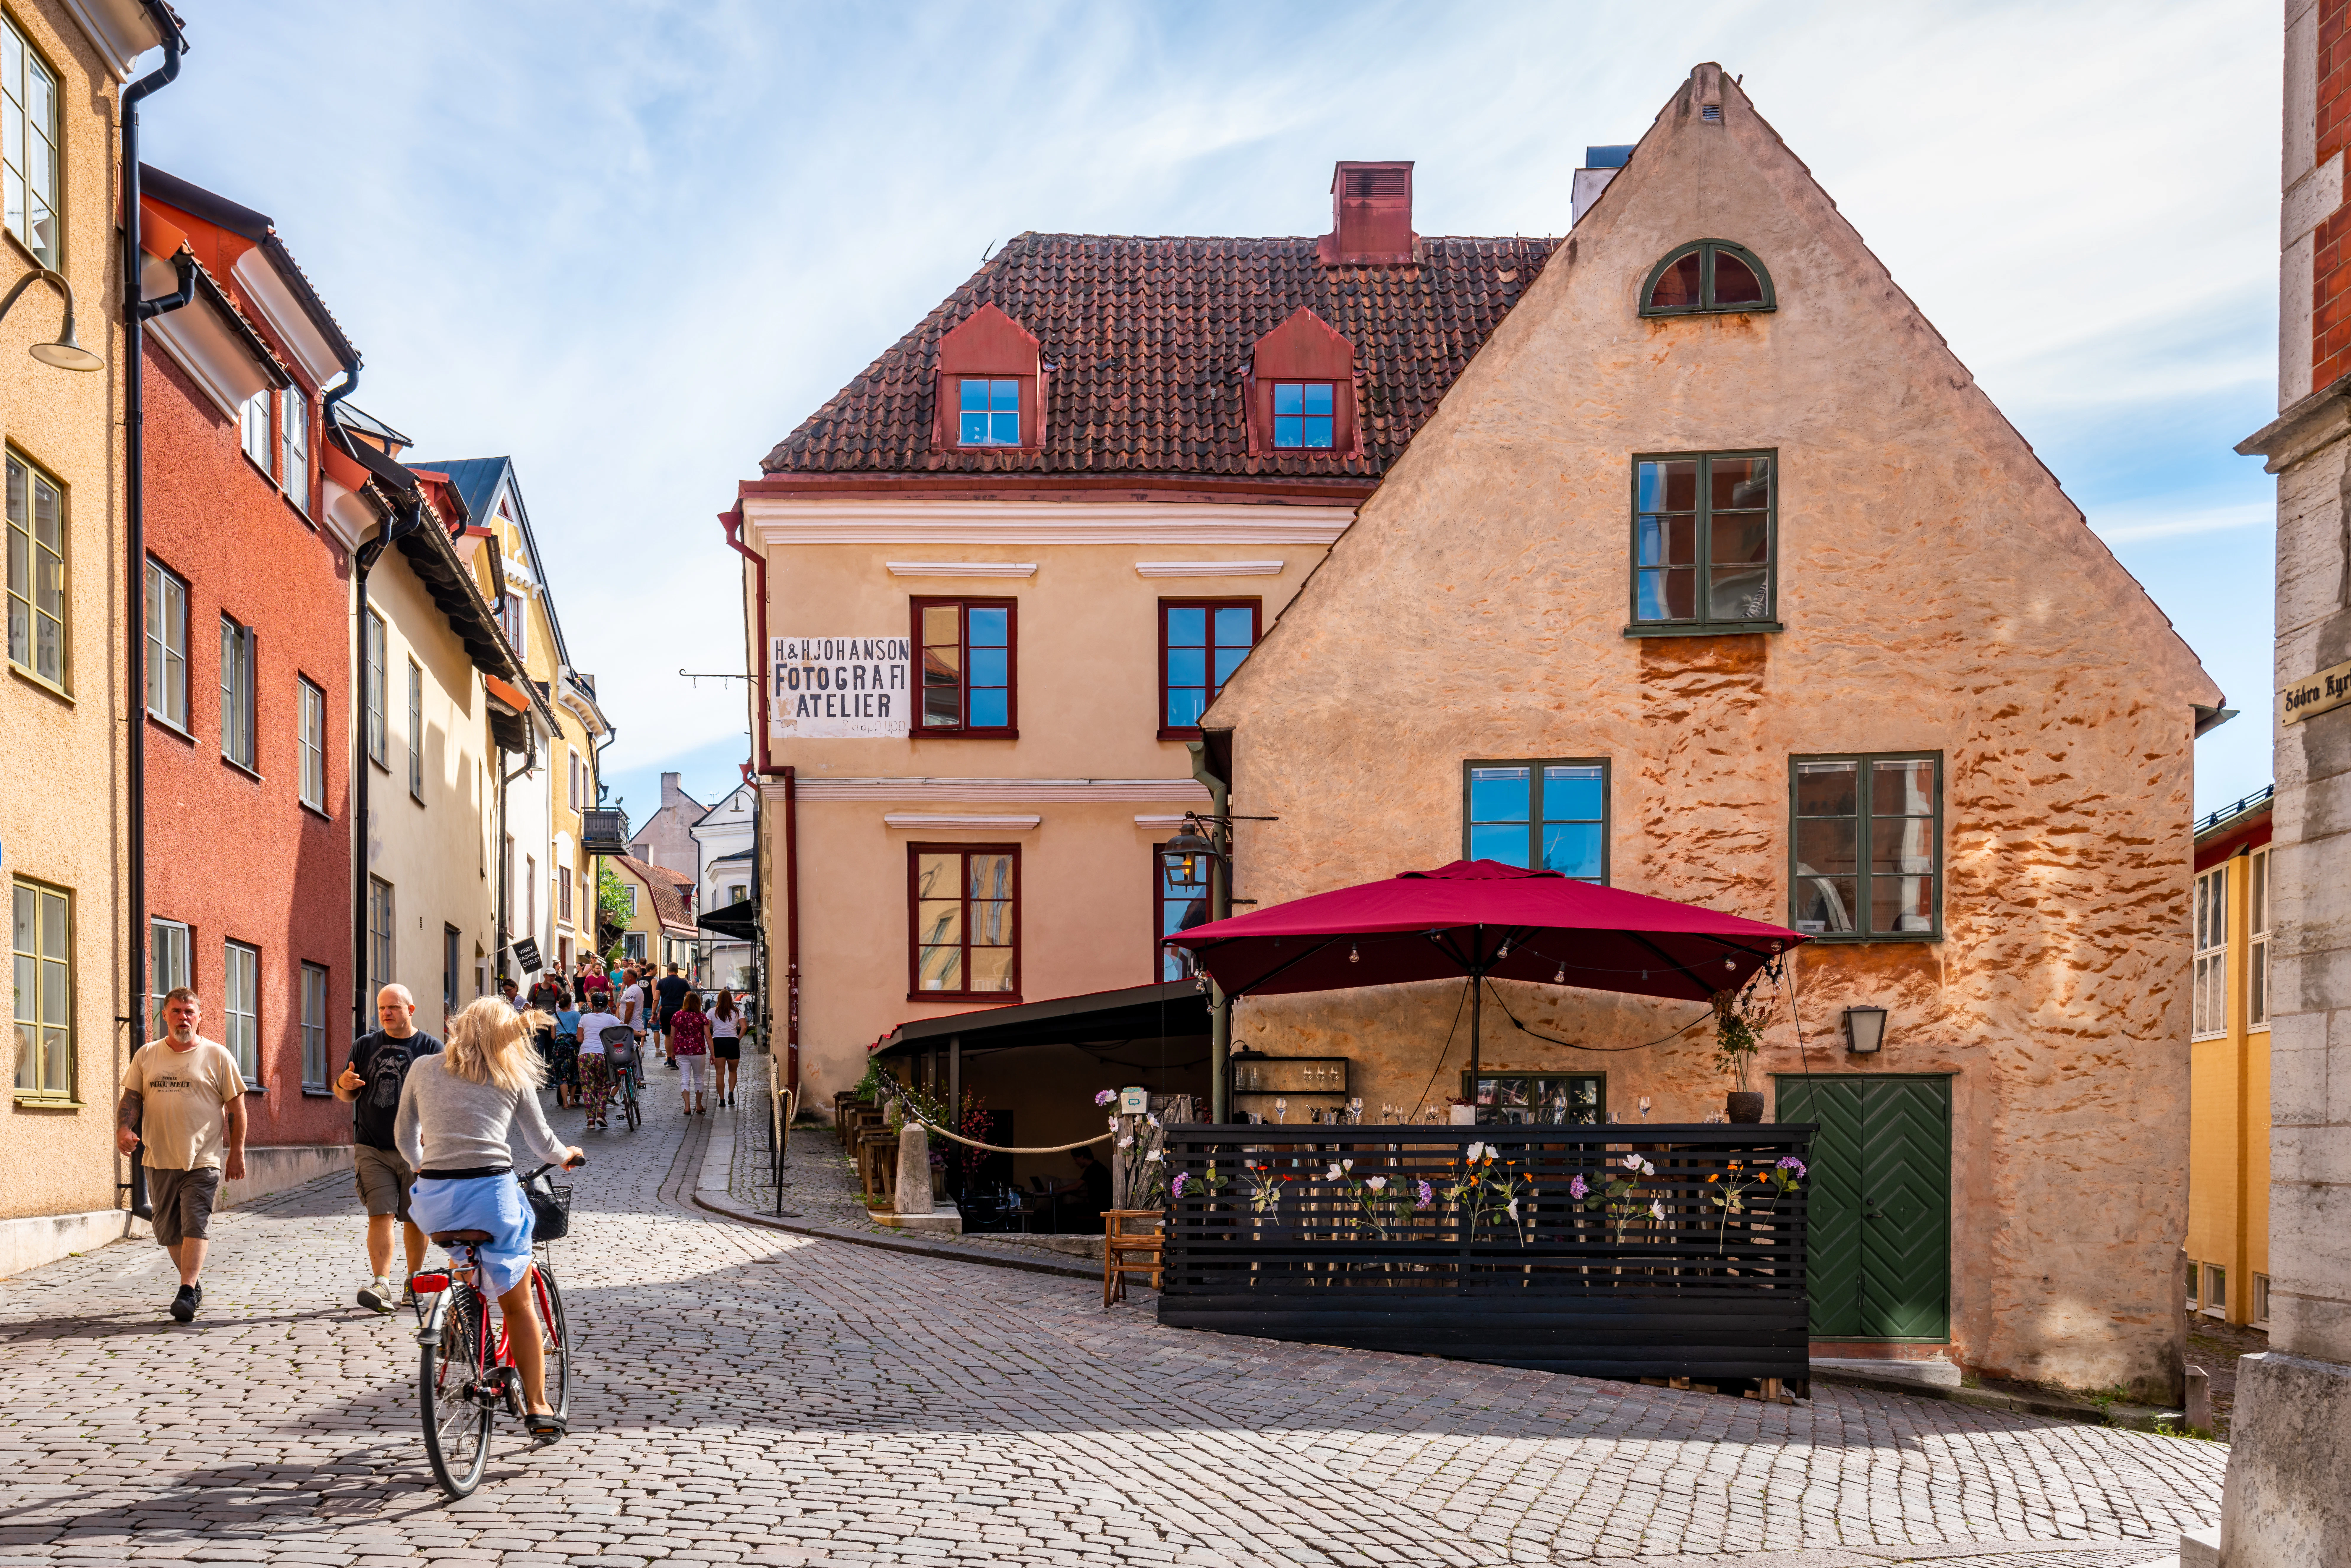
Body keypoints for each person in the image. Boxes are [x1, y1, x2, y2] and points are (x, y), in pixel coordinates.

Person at [395, 996, 583, 1441]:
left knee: (465, 1268)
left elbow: (403, 1135)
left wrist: (424, 1165)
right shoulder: (511, 1073)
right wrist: (568, 1157)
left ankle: (461, 1325)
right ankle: (538, 1405)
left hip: (434, 1201)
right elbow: (542, 1144)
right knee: (518, 1305)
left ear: (460, 1027)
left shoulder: (423, 1067)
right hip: (491, 1198)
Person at [116, 987, 248, 1322]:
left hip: (202, 1160)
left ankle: (187, 1291)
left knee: (195, 1221)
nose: (183, 1018)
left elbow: (237, 1108)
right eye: (176, 1011)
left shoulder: (218, 1055)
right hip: (158, 1157)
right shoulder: (146, 1056)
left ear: (200, 1016)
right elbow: (132, 1099)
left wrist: (237, 1152)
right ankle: (193, 1283)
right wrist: (124, 1130)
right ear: (165, 1016)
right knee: (168, 1231)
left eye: (190, 1011)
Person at [334, 983, 444, 1313]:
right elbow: (344, 1094)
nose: (386, 1014)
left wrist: (433, 1130)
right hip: (373, 1146)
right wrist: (344, 1084)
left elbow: (442, 1097)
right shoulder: (364, 1046)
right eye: (382, 1008)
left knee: (414, 1217)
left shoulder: (432, 1047)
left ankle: (413, 1281)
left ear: (410, 1010)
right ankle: (381, 1284)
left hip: (416, 1150)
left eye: (393, 1008)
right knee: (379, 1213)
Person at [573, 998, 627, 1128]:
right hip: (603, 1055)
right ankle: (601, 1115)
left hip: (585, 1055)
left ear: (592, 1005)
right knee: (604, 1085)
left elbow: (580, 1038)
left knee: (588, 1088)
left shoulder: (584, 1018)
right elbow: (625, 1029)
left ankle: (591, 1120)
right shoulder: (611, 1019)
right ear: (606, 1006)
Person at [668, 992, 711, 1116]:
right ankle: (699, 1105)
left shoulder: (677, 1016)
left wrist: (672, 1052)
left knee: (685, 1078)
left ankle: (687, 1107)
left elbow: (672, 1036)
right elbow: (708, 1036)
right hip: (698, 1052)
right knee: (699, 1078)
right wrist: (713, 1053)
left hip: (682, 1052)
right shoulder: (702, 1017)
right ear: (698, 1004)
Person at [653, 964, 691, 1071]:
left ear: (668, 970)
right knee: (679, 1035)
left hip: (666, 1010)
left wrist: (654, 1013)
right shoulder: (684, 982)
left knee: (667, 1035)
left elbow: (656, 999)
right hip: (680, 1010)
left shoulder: (662, 982)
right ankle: (676, 1060)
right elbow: (689, 996)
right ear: (678, 970)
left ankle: (669, 1059)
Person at [709, 990, 742, 1109]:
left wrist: (710, 1040)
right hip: (732, 1042)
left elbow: (706, 1028)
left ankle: (722, 1100)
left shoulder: (712, 1012)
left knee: (720, 1073)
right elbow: (744, 1027)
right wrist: (738, 1039)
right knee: (733, 1071)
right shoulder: (737, 1012)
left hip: (718, 1042)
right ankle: (731, 1093)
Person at [551, 999, 582, 1109]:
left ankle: (565, 1103)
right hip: (573, 1046)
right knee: (574, 1072)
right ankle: (572, 1100)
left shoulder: (554, 1016)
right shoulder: (577, 1014)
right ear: (570, 1004)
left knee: (562, 1074)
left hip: (560, 1046)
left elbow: (552, 1036)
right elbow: (580, 1031)